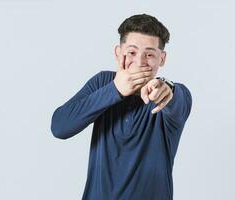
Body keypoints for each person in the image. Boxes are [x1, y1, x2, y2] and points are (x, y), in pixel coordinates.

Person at [50, 13, 192, 200]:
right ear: (118, 52)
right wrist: (115, 89)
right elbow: (60, 127)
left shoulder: (170, 94)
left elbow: (176, 100)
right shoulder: (102, 83)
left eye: (149, 55)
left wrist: (166, 89)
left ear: (162, 59)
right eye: (132, 52)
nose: (140, 62)